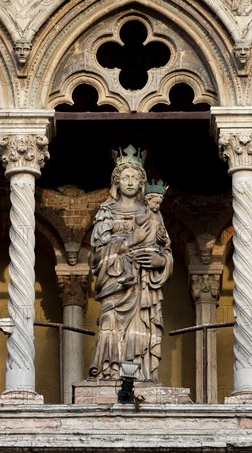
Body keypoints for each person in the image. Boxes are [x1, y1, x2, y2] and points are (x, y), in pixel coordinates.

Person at [88, 145, 173, 382]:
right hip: (115, 285)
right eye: (124, 177)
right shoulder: (106, 212)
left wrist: (160, 261)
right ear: (116, 181)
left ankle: (140, 376)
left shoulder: (152, 213)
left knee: (141, 329)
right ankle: (109, 372)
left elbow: (165, 248)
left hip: (143, 286)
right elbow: (97, 253)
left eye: (135, 177)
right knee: (109, 322)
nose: (129, 182)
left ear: (142, 182)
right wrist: (128, 243)